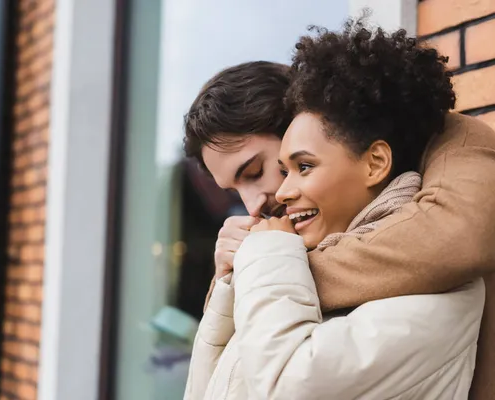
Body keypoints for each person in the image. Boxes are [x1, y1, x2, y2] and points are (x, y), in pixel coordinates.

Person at [182, 19, 495, 399]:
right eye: (234, 191)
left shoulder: (452, 151)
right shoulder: (287, 249)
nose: (255, 204)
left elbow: (457, 236)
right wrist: (228, 285)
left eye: (255, 171)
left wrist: (267, 266)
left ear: (304, 120)